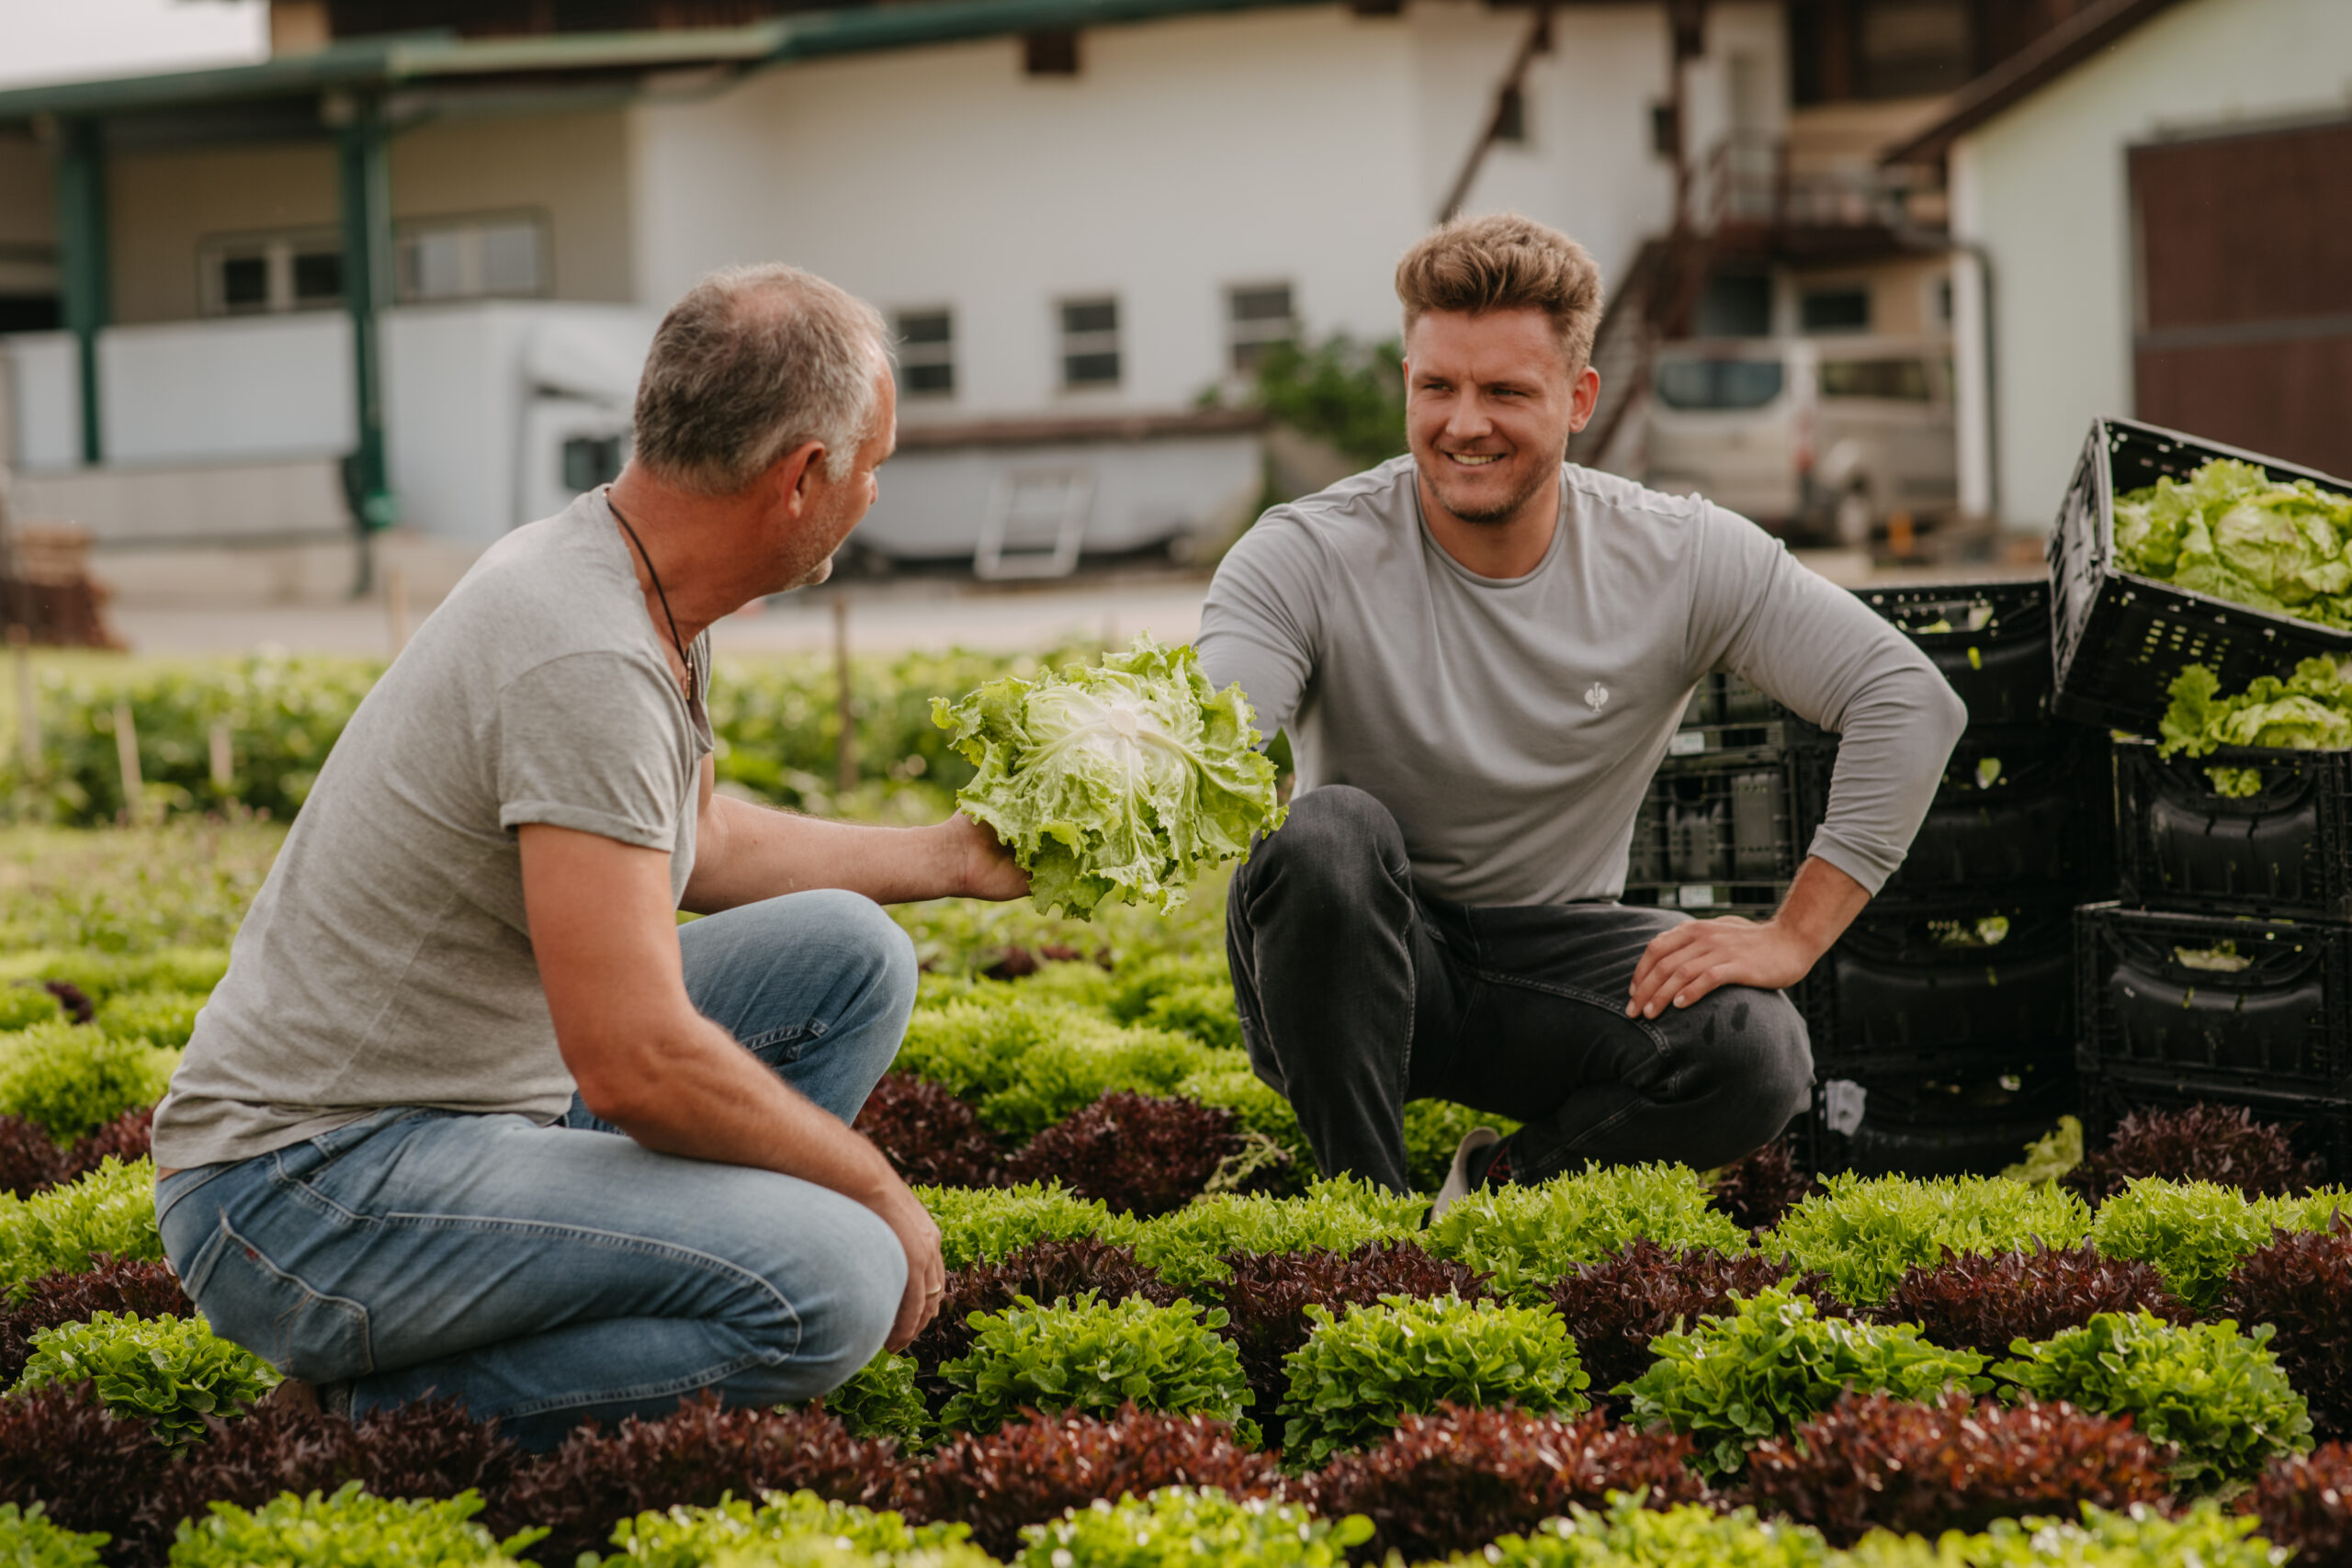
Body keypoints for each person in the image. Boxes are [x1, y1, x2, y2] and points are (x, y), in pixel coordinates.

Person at [149, 264, 1026, 1450]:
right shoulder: (585, 656)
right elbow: (631, 1062)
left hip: (468, 1100)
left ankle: (593, 1282)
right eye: (872, 467)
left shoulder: (638, 578)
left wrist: (951, 856)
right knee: (833, 1282)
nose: (871, 495)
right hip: (306, 1187)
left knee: (851, 955)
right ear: (802, 476)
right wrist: (865, 1180)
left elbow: (699, 841)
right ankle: (379, 1414)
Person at [1194, 213, 1965, 1209]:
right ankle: (1371, 1234)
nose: (1463, 423)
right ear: (1407, 384)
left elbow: (1905, 699)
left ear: (1578, 399)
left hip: (1551, 964)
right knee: (1325, 833)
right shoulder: (1301, 552)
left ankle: (1492, 1197)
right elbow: (1215, 734)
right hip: (1349, 954)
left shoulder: (1675, 554)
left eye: (1505, 391)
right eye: (1437, 387)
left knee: (1757, 1053)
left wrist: (1792, 937)